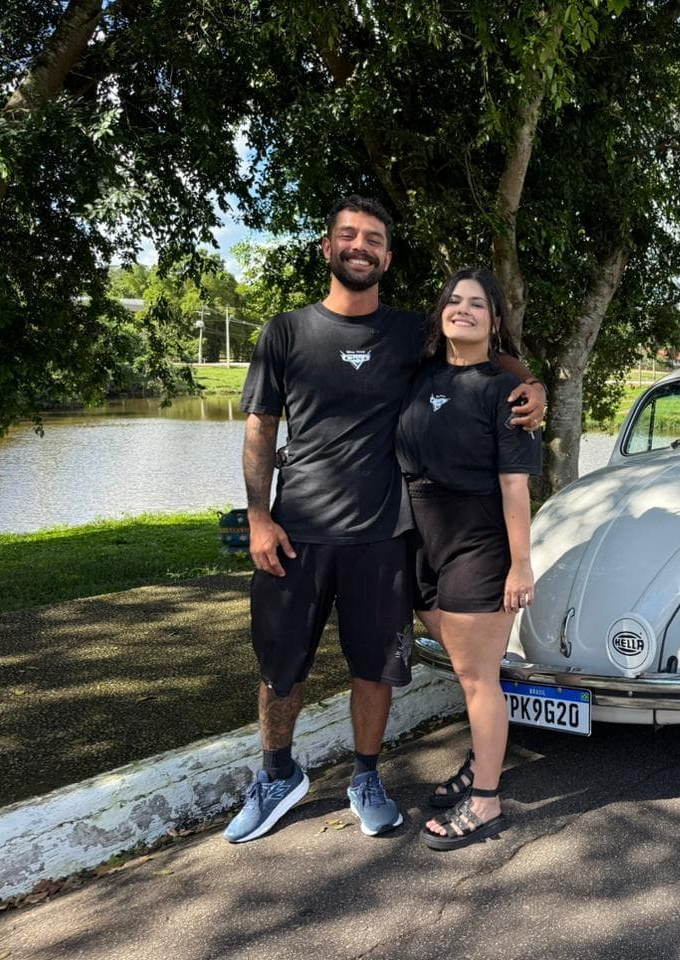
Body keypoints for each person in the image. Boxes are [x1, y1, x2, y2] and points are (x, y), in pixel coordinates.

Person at [224, 198, 545, 844]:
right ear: (327, 247)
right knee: (280, 669)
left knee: (374, 669)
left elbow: (480, 356)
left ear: (387, 258)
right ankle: (278, 775)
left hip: (381, 538)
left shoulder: (407, 335)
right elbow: (260, 428)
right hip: (297, 534)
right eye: (348, 235)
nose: (361, 246)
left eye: (373, 239)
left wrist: (531, 385)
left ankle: (366, 776)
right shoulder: (285, 332)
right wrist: (259, 518)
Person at [396, 267, 540, 851]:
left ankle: (485, 802)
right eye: (453, 300)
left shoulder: (506, 394)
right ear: (441, 314)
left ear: (494, 321)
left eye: (477, 304)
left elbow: (514, 489)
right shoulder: (419, 375)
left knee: (479, 677)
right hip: (420, 540)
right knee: (467, 672)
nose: (463, 309)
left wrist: (520, 564)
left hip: (477, 544)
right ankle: (483, 761)